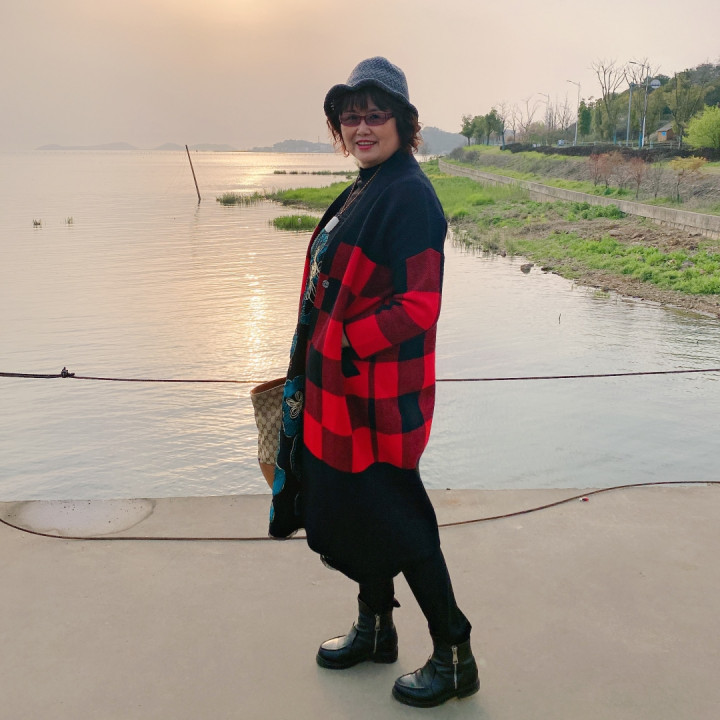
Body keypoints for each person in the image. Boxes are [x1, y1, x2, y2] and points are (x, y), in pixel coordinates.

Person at [269, 56, 479, 708]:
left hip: (376, 398)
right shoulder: (369, 184)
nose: (362, 127)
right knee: (355, 516)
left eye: (376, 115)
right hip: (341, 394)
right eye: (351, 117)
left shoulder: (408, 193)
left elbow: (419, 304)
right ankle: (377, 628)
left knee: (400, 520)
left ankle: (454, 655)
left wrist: (343, 341)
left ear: (403, 123)